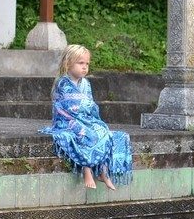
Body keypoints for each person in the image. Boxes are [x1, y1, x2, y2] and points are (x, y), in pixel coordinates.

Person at [39, 44, 133, 189]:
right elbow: (70, 106)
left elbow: (90, 105)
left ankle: (103, 171)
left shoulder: (86, 84)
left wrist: (87, 109)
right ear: (68, 63)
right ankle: (87, 169)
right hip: (66, 120)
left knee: (103, 131)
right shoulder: (62, 82)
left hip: (84, 118)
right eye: (80, 63)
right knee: (84, 132)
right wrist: (84, 107)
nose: (84, 67)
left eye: (87, 64)